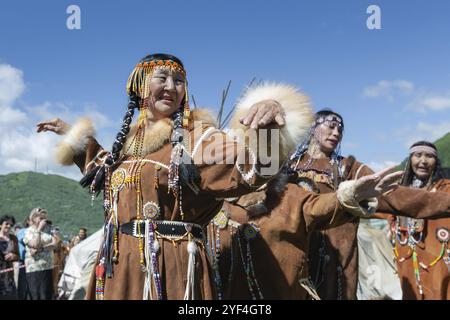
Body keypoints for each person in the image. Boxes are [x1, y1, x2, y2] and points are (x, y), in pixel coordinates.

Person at [36, 53, 309, 300]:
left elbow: (252, 170)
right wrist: (74, 136)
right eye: (162, 78)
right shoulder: (128, 147)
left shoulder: (198, 137)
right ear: (141, 84)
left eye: (179, 81)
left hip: (172, 266)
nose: (171, 86)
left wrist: (270, 126)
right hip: (120, 268)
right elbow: (106, 174)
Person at [387, 141, 450, 299]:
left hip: (437, 261)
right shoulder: (399, 192)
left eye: (429, 156)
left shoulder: (446, 188)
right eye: (418, 155)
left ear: (436, 162)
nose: (423, 160)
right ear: (410, 160)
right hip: (407, 261)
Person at [23, 208, 57, 300]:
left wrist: (41, 249)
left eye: (45, 218)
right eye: (41, 218)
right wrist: (39, 230)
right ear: (33, 218)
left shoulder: (49, 229)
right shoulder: (28, 231)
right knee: (36, 296)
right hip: (34, 269)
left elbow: (54, 244)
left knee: (47, 295)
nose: (44, 221)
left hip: (48, 267)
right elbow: (35, 245)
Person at [0, 215, 19, 300]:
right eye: (6, 223)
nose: (8, 226)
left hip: (9, 276)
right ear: (0, 225)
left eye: (11, 225)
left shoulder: (13, 238)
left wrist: (13, 255)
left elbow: (18, 256)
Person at [16, 217, 30, 299]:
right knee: (23, 284)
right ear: (28, 221)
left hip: (31, 261)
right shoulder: (23, 231)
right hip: (23, 261)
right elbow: (24, 240)